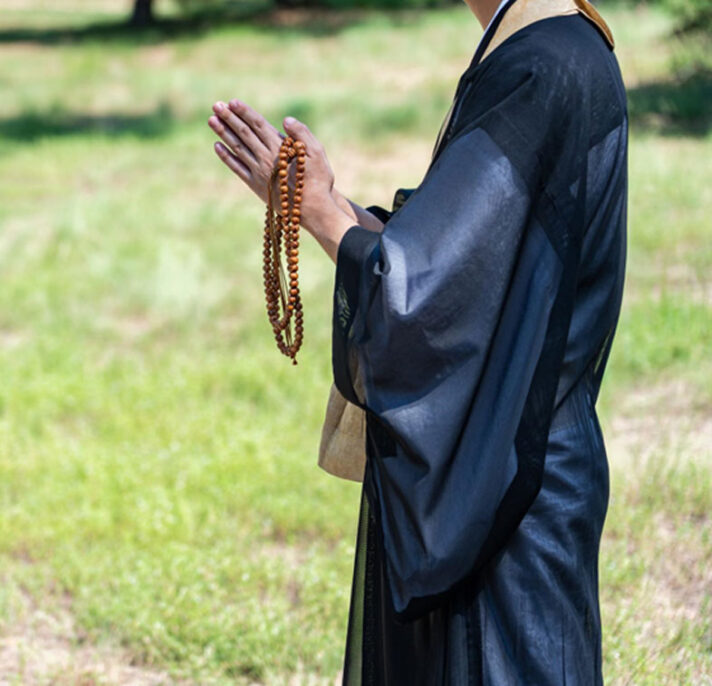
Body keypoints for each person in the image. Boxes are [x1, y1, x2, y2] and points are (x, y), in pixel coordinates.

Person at [207, 0, 628, 681]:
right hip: (514, 459)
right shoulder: (554, 49)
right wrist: (327, 208)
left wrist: (317, 212)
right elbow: (474, 269)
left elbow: (429, 294)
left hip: (505, 492)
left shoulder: (543, 64)